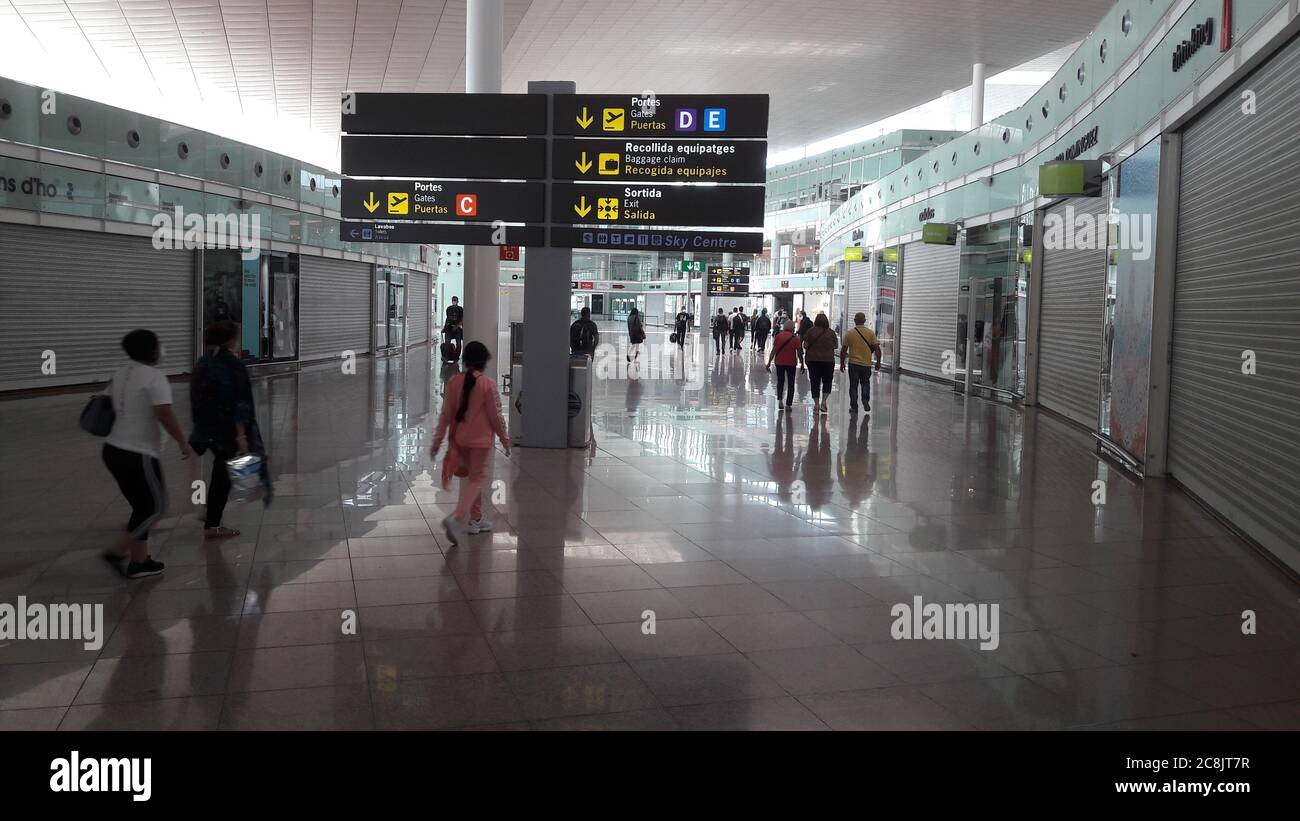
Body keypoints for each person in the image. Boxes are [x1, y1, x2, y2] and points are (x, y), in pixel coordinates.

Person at [101, 329, 192, 579]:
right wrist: (183, 442)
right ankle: (117, 552)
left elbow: (107, 402)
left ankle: (139, 562)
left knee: (141, 506)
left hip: (112, 449)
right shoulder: (154, 376)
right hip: (137, 453)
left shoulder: (120, 372)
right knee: (155, 507)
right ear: (151, 350)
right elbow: (163, 413)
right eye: (159, 345)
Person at [430, 341, 510, 546]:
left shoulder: (454, 382)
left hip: (460, 440)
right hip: (481, 442)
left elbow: (445, 415)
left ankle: (475, 520)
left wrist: (437, 441)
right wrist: (505, 439)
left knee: (473, 479)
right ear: (483, 363)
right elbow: (496, 416)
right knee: (477, 479)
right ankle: (457, 517)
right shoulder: (487, 384)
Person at [189, 320, 263, 539]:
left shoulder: (203, 362)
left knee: (221, 470)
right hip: (228, 429)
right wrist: (241, 435)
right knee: (225, 475)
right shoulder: (233, 364)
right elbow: (239, 401)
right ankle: (213, 524)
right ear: (231, 339)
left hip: (207, 428)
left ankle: (210, 511)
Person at [840, 311, 883, 414]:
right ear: (864, 321)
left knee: (853, 386)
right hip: (866, 365)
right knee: (865, 383)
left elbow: (843, 350)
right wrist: (878, 362)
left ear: (855, 321)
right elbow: (877, 349)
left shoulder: (849, 334)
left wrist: (842, 363)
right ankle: (865, 400)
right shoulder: (870, 333)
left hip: (853, 364)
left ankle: (854, 407)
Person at [802, 312, 838, 415]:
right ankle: (824, 402)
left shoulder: (810, 331)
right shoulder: (831, 333)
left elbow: (805, 345)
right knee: (827, 381)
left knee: (815, 382)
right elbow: (835, 346)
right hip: (828, 361)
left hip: (813, 360)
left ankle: (816, 404)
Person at [765, 319, 804, 411]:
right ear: (792, 328)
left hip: (779, 362)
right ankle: (789, 404)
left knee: (780, 381)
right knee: (791, 383)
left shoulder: (778, 336)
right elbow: (799, 353)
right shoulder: (796, 339)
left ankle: (780, 401)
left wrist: (769, 362)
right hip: (791, 363)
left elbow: (773, 351)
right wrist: (802, 363)